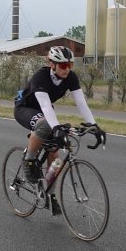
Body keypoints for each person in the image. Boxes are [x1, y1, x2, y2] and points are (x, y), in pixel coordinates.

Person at [13, 46, 106, 198]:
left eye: (70, 65)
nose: (67, 69)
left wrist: (94, 125)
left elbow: (81, 103)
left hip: (45, 112)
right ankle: (29, 160)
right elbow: (45, 105)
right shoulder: (40, 77)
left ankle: (50, 195)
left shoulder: (71, 77)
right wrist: (56, 127)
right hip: (25, 108)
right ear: (52, 64)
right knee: (45, 125)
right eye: (63, 65)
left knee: (55, 154)